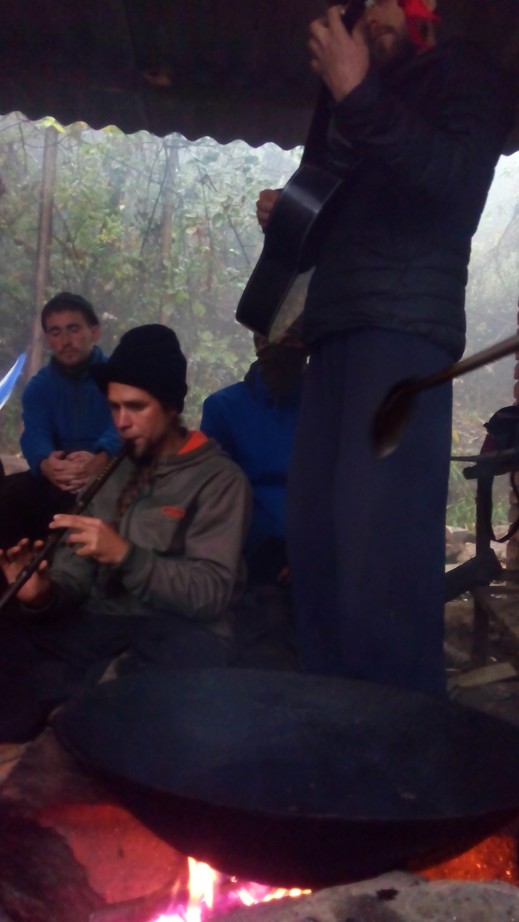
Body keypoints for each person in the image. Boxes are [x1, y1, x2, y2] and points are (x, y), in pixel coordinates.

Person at [256, 0, 514, 695]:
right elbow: (344, 203)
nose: (373, 13)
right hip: (333, 330)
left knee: (380, 558)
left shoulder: (465, 72)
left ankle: (399, 742)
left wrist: (357, 92)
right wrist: (293, 214)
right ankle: (331, 727)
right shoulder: (363, 94)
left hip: (403, 334)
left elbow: (454, 185)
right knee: (318, 545)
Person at [0, 324, 251, 741]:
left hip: (171, 631)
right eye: (114, 407)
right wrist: (43, 592)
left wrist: (125, 555)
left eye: (136, 407)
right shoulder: (112, 471)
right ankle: (79, 706)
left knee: (178, 665)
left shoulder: (220, 481)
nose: (122, 422)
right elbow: (74, 573)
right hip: (100, 625)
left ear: (171, 406)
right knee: (12, 633)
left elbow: (209, 593)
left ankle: (84, 707)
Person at [0, 292, 121, 549]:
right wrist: (46, 463)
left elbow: (124, 427)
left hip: (114, 474)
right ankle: (19, 568)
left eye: (73, 329)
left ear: (94, 332)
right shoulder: (39, 387)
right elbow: (35, 432)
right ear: (48, 340)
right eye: (55, 332)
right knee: (10, 494)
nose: (65, 341)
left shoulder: (120, 378)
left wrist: (102, 458)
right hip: (59, 477)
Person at [201, 331, 305, 586]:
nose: (279, 350)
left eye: (290, 340)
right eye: (271, 340)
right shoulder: (223, 408)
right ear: (258, 343)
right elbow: (216, 498)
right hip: (247, 559)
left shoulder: (326, 406)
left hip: (312, 551)